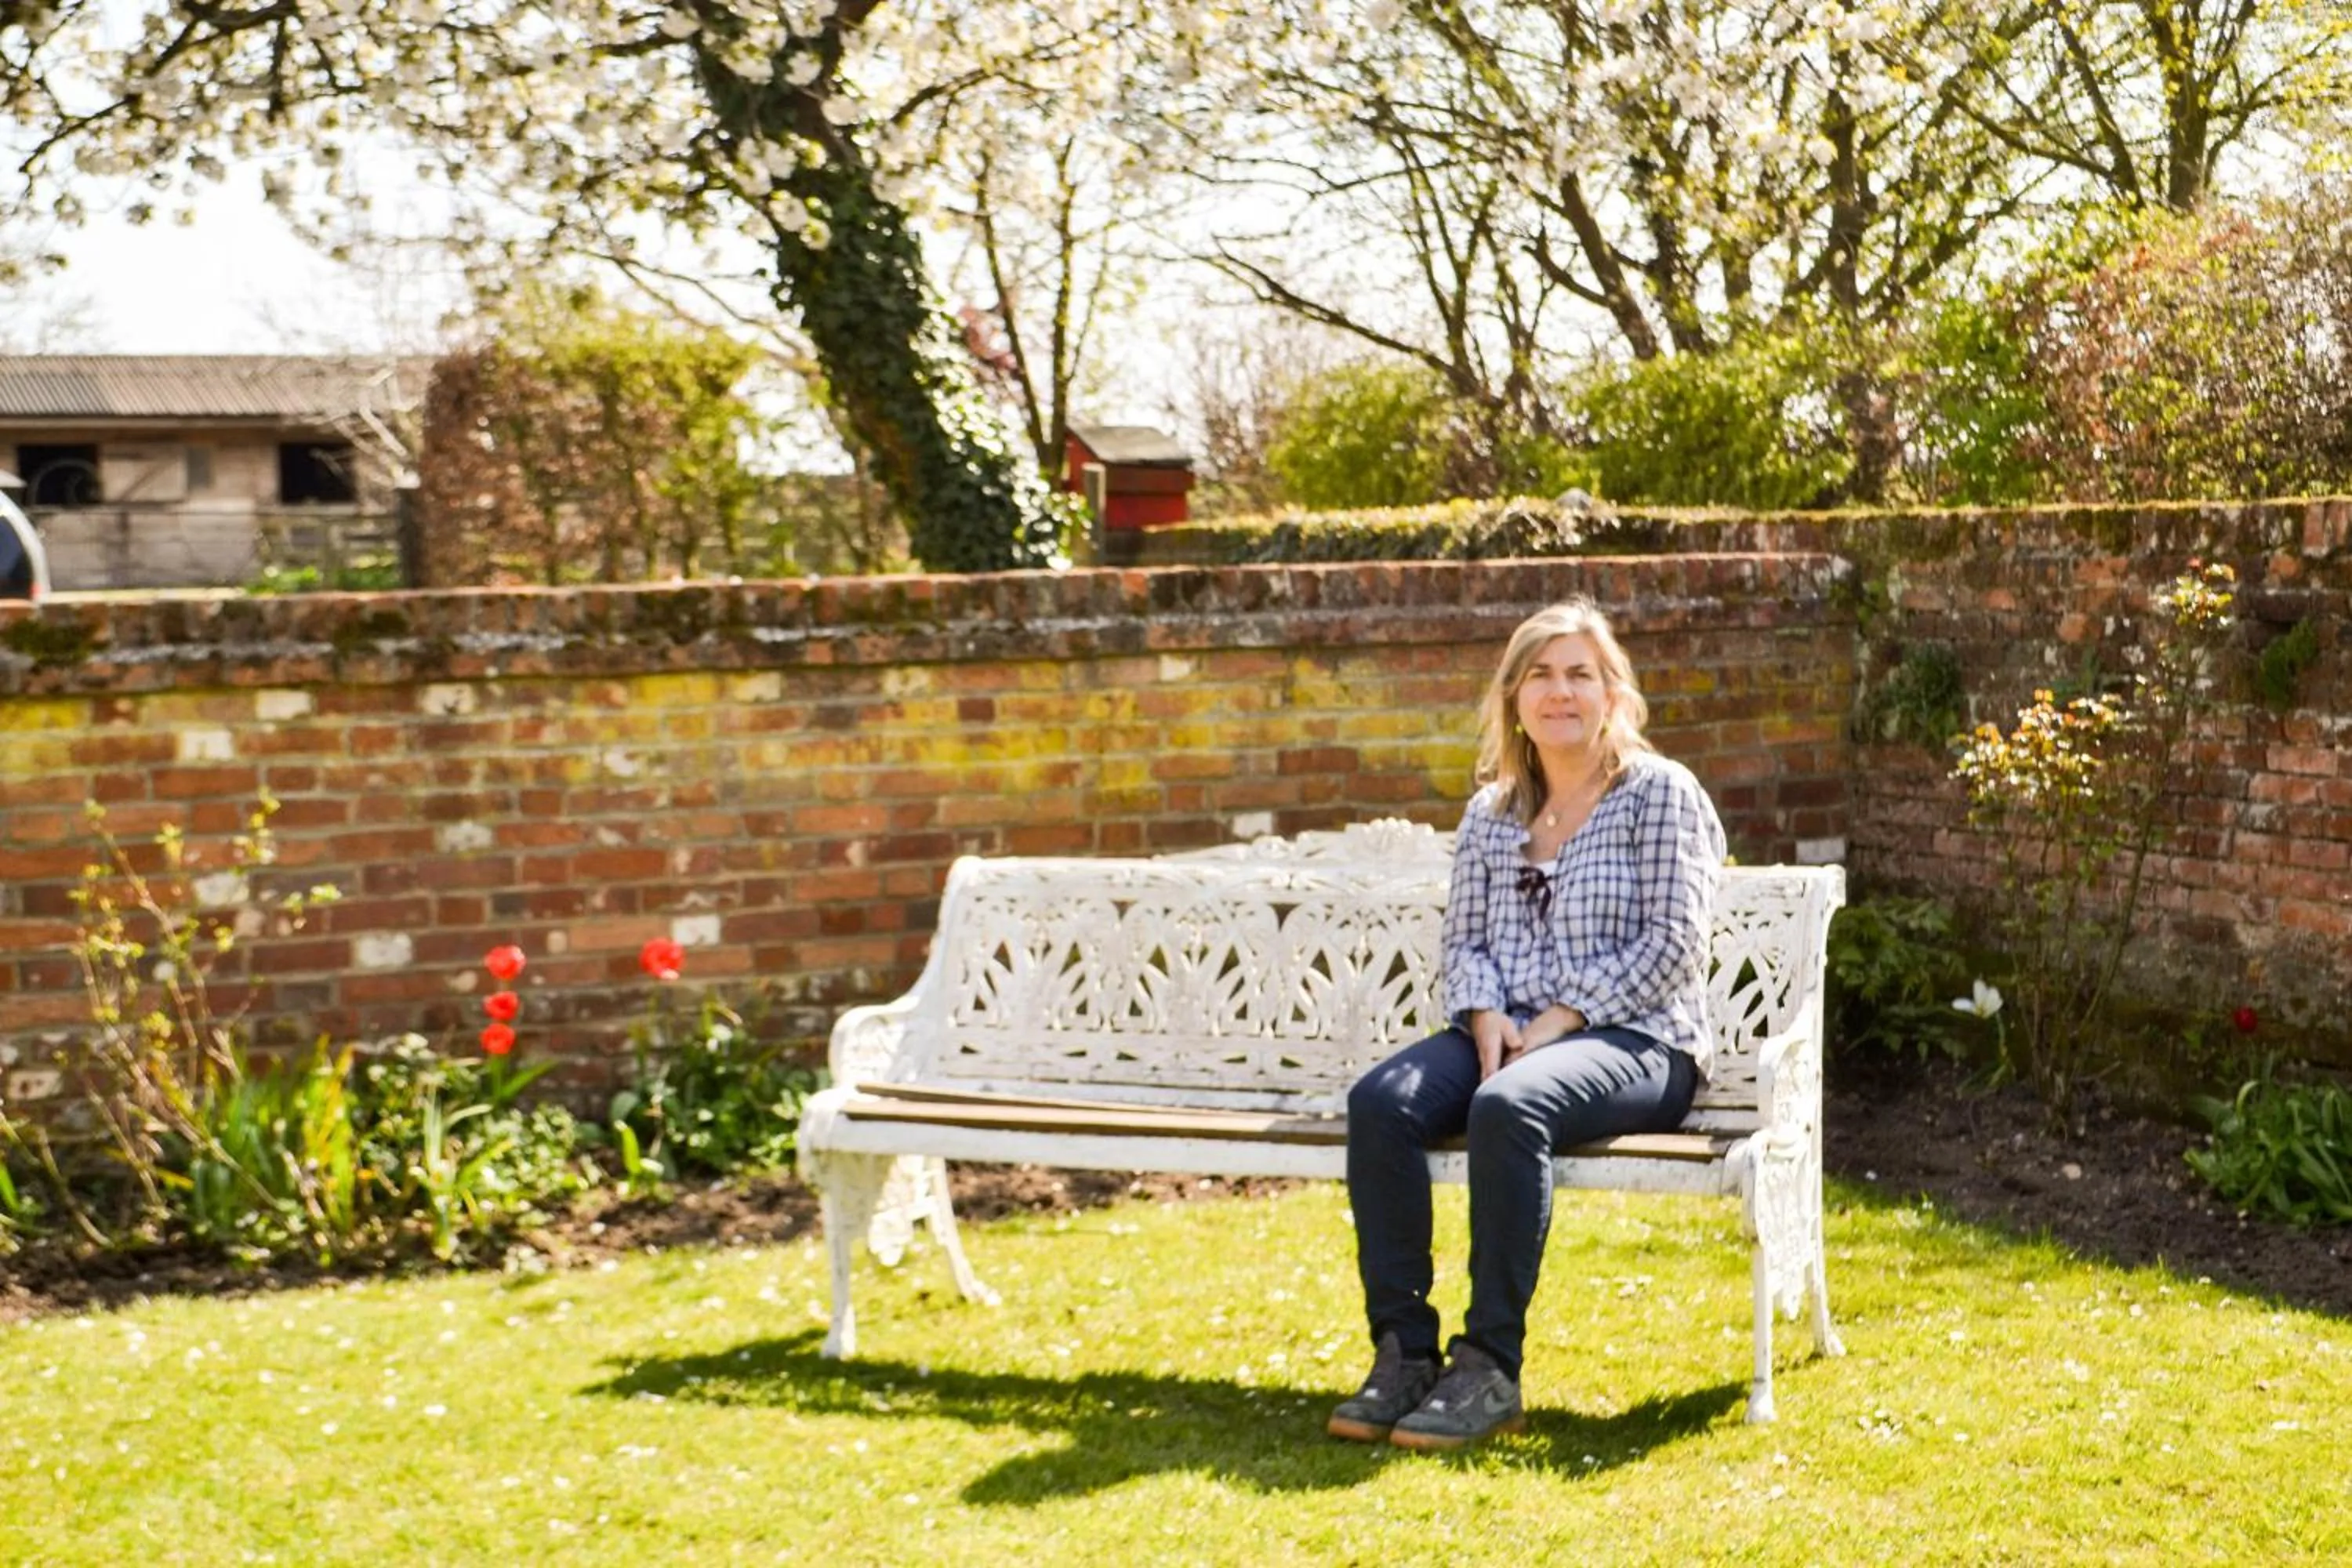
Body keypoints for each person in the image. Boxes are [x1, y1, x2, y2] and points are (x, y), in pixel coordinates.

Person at [1328, 599, 1726, 1451]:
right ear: (1514, 697)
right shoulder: (1492, 812)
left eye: (1581, 673)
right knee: (1381, 1102)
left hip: (1639, 1039)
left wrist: (1559, 1019)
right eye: (1541, 674)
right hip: (1506, 1037)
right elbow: (1465, 939)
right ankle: (1404, 1353)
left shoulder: (1659, 794)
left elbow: (1675, 943)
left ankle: (1489, 1368)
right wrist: (1483, 1016)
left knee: (1509, 1106)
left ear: (1613, 692)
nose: (1560, 692)